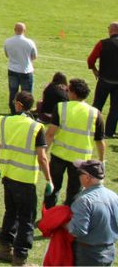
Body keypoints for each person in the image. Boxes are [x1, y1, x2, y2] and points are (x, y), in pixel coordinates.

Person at [0, 91, 53, 265]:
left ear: (18, 104)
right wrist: (49, 180)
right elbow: (42, 158)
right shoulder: (36, 127)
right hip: (26, 180)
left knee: (10, 213)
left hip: (8, 176)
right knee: (26, 219)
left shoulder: (3, 121)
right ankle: (20, 258)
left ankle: (4, 249)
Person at [45, 78, 105, 209]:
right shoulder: (95, 113)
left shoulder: (61, 108)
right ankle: (67, 220)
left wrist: (43, 153)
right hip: (81, 161)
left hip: (58, 156)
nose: (66, 92)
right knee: (74, 193)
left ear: (73, 93)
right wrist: (101, 161)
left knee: (52, 187)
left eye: (68, 90)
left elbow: (50, 134)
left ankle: (48, 216)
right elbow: (100, 142)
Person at [67, 159, 118, 266]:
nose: (78, 176)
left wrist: (63, 224)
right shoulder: (114, 196)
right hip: (110, 251)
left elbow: (78, 230)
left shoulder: (84, 200)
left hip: (89, 255)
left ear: (87, 177)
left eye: (79, 173)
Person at [88, 21, 118, 136]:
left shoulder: (102, 43)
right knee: (115, 108)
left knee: (97, 105)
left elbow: (90, 59)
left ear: (110, 30)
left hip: (104, 80)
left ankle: (93, 128)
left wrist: (95, 70)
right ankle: (109, 132)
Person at [4, 22, 38, 114]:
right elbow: (34, 56)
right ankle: (25, 112)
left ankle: (13, 111)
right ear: (24, 30)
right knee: (26, 95)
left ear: (14, 30)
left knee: (13, 92)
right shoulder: (29, 42)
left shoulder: (8, 41)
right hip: (26, 71)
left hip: (12, 70)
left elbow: (7, 55)